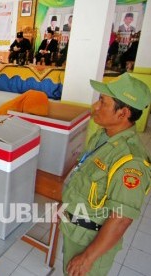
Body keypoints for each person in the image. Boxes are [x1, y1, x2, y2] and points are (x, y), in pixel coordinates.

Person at [61, 73, 151, 276]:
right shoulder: (103, 136)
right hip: (74, 230)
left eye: (103, 102)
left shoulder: (131, 163)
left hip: (91, 243)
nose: (95, 107)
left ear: (123, 113)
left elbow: (121, 219)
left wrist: (87, 258)